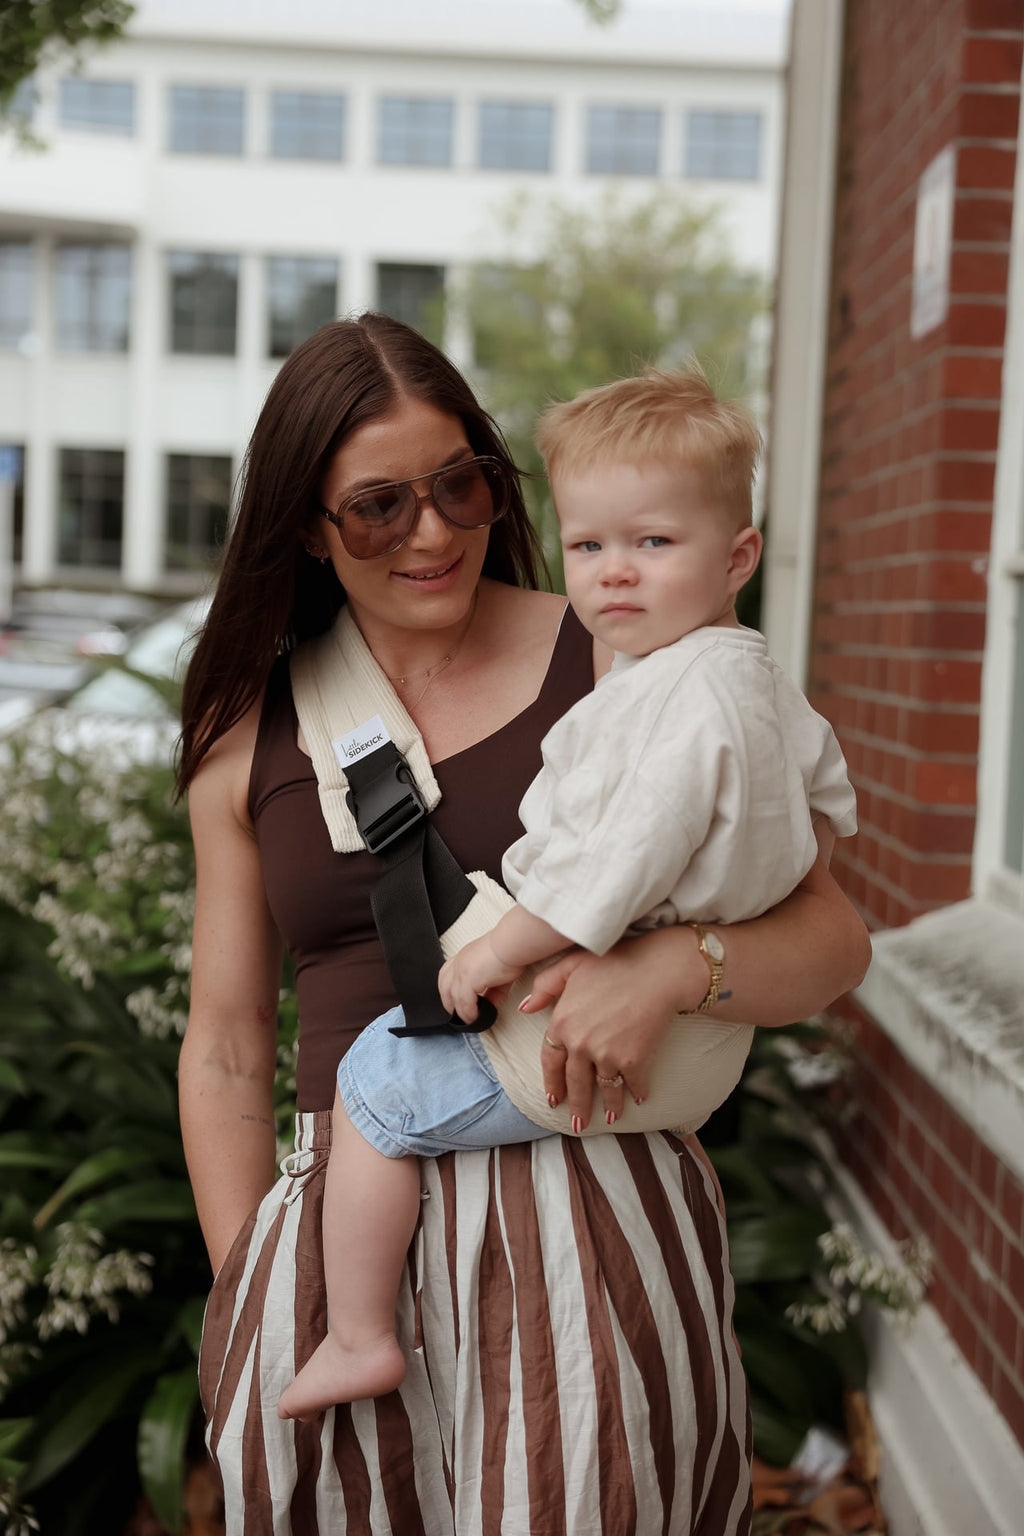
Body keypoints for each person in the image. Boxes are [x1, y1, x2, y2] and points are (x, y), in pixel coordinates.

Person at [178, 314, 871, 1536]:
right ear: (306, 525)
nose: (434, 531)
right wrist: (249, 1282)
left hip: (593, 1209)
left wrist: (675, 968)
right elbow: (227, 1044)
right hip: (347, 1242)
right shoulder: (250, 728)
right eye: (378, 506)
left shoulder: (630, 652)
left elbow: (833, 939)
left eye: (461, 485)